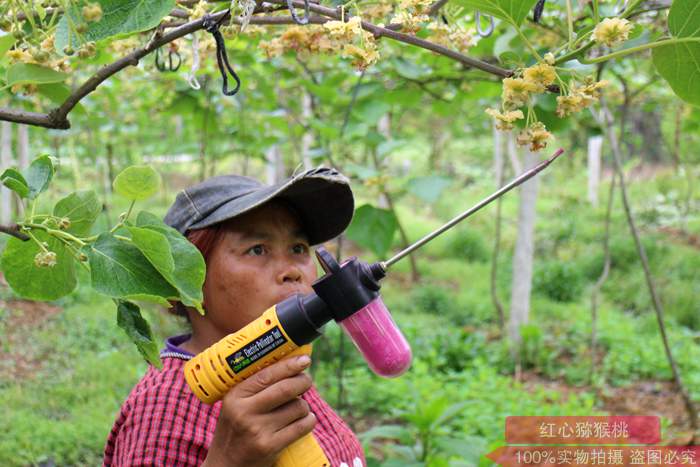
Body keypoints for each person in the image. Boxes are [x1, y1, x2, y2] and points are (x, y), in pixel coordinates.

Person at [103, 167, 365, 467]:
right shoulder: (169, 405)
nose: (292, 270)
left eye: (298, 248)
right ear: (188, 281)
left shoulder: (271, 369)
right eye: (257, 249)